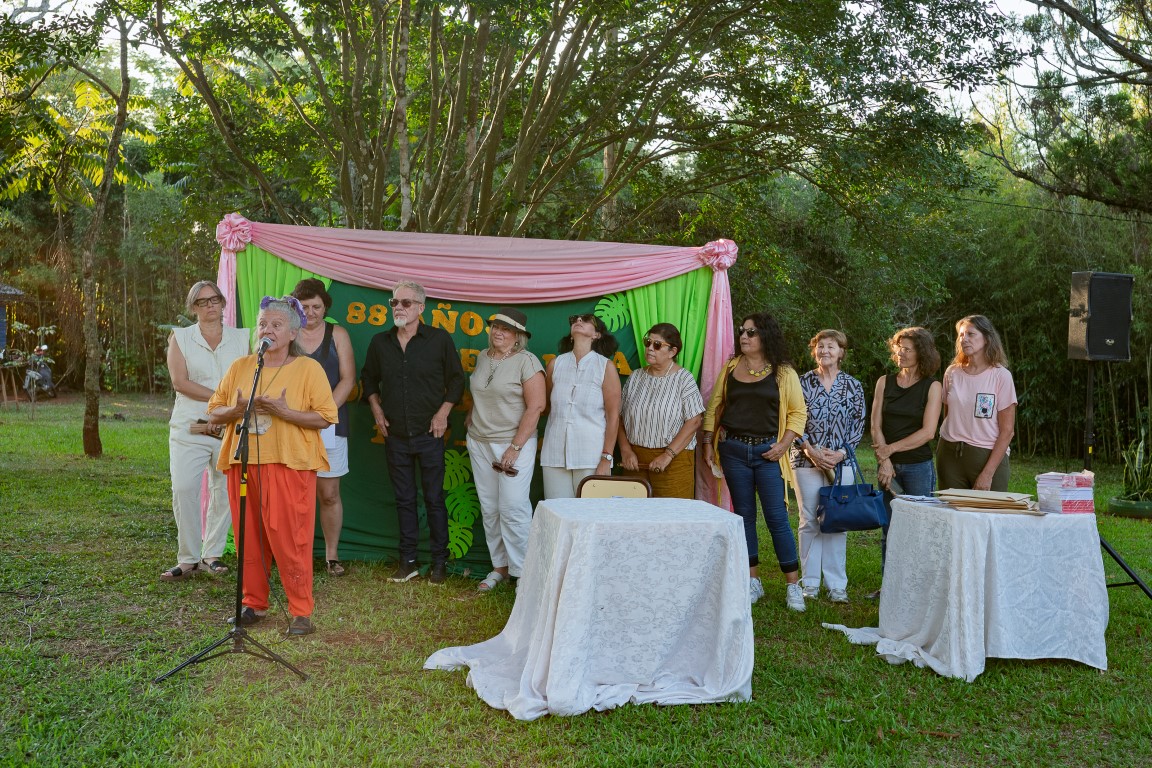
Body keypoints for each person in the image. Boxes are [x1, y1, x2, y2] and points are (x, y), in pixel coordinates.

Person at [208, 296, 337, 637]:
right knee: (249, 538)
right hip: (244, 462)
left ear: (293, 333)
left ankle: (300, 611)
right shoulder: (241, 367)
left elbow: (325, 417)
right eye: (263, 324)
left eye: (276, 325)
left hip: (289, 464)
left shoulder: (308, 369)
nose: (267, 330)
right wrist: (237, 410)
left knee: (291, 539)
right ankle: (253, 603)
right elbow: (215, 411)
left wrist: (285, 412)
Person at [361, 280, 465, 585]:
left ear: (421, 307)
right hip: (395, 434)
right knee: (404, 498)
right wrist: (376, 409)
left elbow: (457, 381)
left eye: (405, 303)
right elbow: (369, 380)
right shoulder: (381, 342)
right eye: (394, 303)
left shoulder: (439, 339)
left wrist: (443, 412)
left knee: (434, 498)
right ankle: (408, 562)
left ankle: (439, 562)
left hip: (430, 433)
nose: (398, 308)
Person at [702, 312, 808, 611]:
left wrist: (783, 445)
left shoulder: (783, 373)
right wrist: (708, 443)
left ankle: (793, 586)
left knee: (776, 518)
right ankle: (753, 581)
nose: (744, 337)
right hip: (734, 451)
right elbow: (714, 408)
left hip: (768, 454)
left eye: (751, 332)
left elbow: (798, 414)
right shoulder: (732, 367)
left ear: (766, 337)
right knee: (744, 517)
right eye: (742, 332)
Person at [161, 280, 249, 582]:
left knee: (224, 490)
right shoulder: (181, 338)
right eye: (202, 302)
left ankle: (211, 554)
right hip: (192, 426)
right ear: (193, 308)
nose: (210, 305)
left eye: (214, 299)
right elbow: (180, 382)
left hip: (229, 427)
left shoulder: (243, 338)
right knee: (184, 487)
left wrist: (230, 410)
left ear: (223, 302)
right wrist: (220, 397)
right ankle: (187, 558)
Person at [466, 308, 545, 592]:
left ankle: (524, 574)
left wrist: (515, 447)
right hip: (479, 441)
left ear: (518, 336)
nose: (498, 332)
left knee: (513, 508)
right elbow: (480, 392)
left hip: (513, 443)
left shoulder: (527, 362)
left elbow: (536, 407)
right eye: (495, 326)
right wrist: (474, 417)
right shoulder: (483, 357)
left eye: (506, 329)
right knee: (490, 508)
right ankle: (499, 568)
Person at [790, 330, 866, 603]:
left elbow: (858, 426)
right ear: (814, 352)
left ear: (841, 352)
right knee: (809, 519)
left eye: (830, 346)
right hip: (805, 459)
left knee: (836, 520)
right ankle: (809, 583)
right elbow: (793, 419)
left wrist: (841, 453)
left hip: (840, 461)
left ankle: (837, 586)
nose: (824, 351)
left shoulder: (853, 386)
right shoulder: (801, 383)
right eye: (820, 347)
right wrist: (810, 450)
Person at [870, 327, 943, 592]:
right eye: (898, 348)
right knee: (889, 527)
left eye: (907, 349)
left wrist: (890, 450)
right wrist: (884, 459)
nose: (901, 353)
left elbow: (928, 432)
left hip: (918, 467)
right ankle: (889, 588)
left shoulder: (933, 387)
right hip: (887, 466)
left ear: (921, 353)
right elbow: (876, 424)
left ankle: (916, 589)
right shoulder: (884, 382)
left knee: (918, 528)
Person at [292, 278, 356, 577]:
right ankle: (293, 553)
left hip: (330, 423)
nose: (311, 312)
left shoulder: (338, 334)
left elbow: (348, 379)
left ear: (325, 306)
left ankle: (331, 555)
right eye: (304, 307)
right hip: (290, 423)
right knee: (292, 493)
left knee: (329, 493)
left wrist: (324, 412)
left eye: (316, 306)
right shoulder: (287, 333)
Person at [617, 323, 704, 498]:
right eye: (648, 342)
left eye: (657, 345)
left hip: (674, 462)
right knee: (635, 517)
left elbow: (694, 421)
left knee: (672, 518)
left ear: (673, 352)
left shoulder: (684, 379)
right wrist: (625, 451)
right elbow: (618, 417)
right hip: (635, 461)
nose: (649, 348)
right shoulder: (635, 377)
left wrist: (667, 455)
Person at [540, 312, 621, 498]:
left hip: (591, 456)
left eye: (585, 320)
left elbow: (613, 416)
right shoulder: (555, 364)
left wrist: (606, 458)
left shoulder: (605, 366)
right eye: (574, 319)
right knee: (557, 513)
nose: (578, 321)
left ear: (596, 335)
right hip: (554, 454)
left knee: (590, 516)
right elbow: (545, 407)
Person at [937, 315, 1017, 491]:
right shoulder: (952, 373)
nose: (964, 339)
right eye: (961, 335)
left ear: (987, 338)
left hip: (987, 456)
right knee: (951, 515)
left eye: (971, 334)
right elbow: (948, 415)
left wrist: (987, 474)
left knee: (988, 515)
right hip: (949, 454)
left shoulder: (1001, 376)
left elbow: (1007, 431)